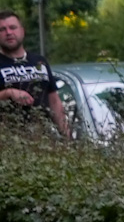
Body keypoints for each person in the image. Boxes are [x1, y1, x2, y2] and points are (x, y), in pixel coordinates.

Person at [0, 9, 71, 137]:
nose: (8, 33)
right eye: (2, 30)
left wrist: (67, 136)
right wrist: (8, 93)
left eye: (12, 27)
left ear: (22, 31)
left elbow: (54, 101)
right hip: (8, 141)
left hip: (42, 139)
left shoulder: (39, 61)